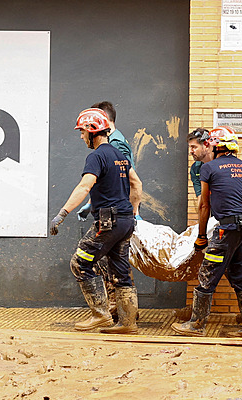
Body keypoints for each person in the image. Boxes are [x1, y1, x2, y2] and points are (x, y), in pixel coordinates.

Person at [49, 108, 142, 334]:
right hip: (125, 222)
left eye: (82, 132)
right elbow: (136, 184)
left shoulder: (97, 156)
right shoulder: (119, 155)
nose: (81, 137)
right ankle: (128, 323)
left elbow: (84, 186)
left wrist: (63, 212)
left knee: (80, 263)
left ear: (92, 132)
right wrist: (133, 212)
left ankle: (100, 315)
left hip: (107, 223)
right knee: (120, 272)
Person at [172, 126, 242, 338]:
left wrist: (202, 236)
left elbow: (204, 205)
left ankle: (196, 324)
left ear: (214, 145)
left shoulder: (209, 168)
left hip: (226, 231)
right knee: (239, 277)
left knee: (207, 276)